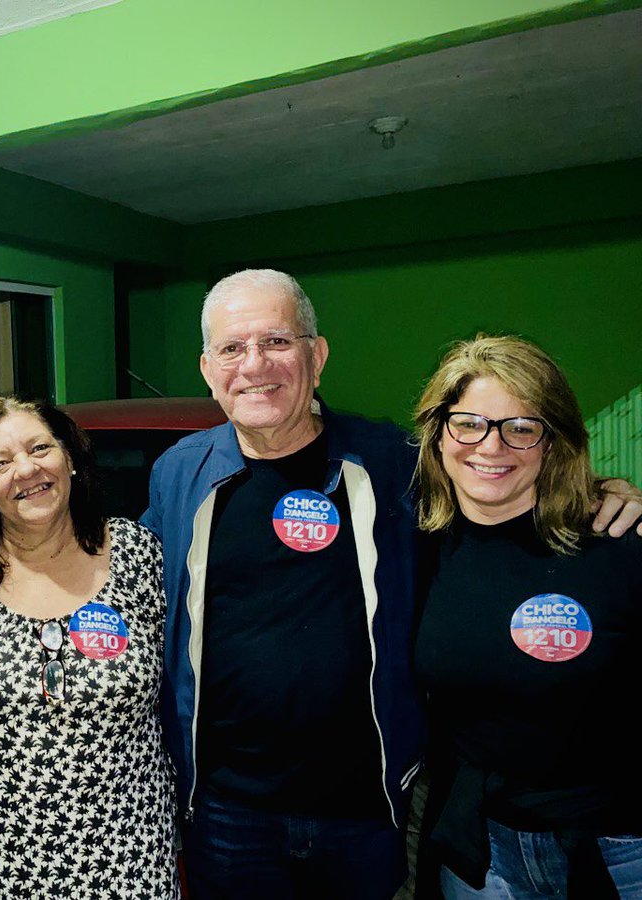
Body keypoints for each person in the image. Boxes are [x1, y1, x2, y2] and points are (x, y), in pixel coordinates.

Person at [140, 270, 642, 900]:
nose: (255, 365)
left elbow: (495, 481)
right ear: (208, 369)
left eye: (276, 341)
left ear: (316, 356)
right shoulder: (181, 471)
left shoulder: (391, 461)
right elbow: (126, 576)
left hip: (364, 808)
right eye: (232, 349)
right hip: (225, 814)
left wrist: (602, 496)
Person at [0, 397, 179, 899]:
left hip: (126, 868)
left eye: (40, 448)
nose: (26, 470)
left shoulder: (142, 557)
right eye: (0, 462)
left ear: (70, 457)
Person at [413, 335, 642, 899]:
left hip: (621, 849)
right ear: (439, 433)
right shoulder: (414, 548)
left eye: (520, 427)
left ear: (553, 441)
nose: (491, 446)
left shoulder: (617, 542)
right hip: (485, 855)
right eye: (469, 423)